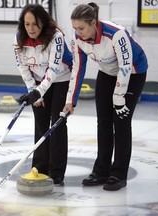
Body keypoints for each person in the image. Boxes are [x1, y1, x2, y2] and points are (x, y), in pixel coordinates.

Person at [64, 2, 148, 191]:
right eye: (75, 28)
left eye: (82, 28)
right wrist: (71, 100)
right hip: (107, 73)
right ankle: (101, 171)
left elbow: (125, 67)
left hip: (133, 73)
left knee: (121, 121)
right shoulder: (78, 38)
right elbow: (78, 69)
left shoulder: (116, 34)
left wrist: (119, 99)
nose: (78, 33)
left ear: (93, 23)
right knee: (103, 121)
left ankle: (118, 174)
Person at [15, 4, 73, 185]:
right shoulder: (20, 37)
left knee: (57, 123)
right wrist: (34, 92)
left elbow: (54, 68)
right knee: (40, 123)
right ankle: (40, 167)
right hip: (39, 82)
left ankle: (56, 172)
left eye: (35, 24)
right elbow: (23, 67)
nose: (31, 29)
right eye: (27, 24)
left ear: (43, 23)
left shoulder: (56, 36)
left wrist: (38, 92)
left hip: (61, 79)